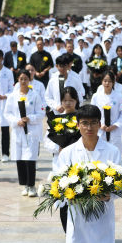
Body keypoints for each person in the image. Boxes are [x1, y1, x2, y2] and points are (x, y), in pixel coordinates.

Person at [56, 104, 121, 243]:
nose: (89, 127)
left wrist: (109, 195)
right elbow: (58, 187)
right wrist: (70, 193)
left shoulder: (112, 152)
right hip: (79, 220)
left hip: (103, 220)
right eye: (84, 123)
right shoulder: (67, 154)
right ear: (77, 125)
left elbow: (119, 185)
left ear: (100, 124)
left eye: (93, 123)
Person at [44, 86, 80, 232]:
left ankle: (79, 232)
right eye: (65, 101)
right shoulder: (56, 119)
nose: (68, 103)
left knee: (78, 195)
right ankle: (67, 232)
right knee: (63, 198)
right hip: (60, 162)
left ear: (76, 101)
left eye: (71, 100)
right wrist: (59, 148)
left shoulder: (81, 118)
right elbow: (47, 141)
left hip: (78, 162)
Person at [4, 70, 45, 196]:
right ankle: (24, 185)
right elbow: (7, 113)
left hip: (31, 131)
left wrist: (30, 118)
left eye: (26, 79)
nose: (23, 81)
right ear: (18, 80)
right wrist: (17, 121)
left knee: (30, 158)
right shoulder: (12, 96)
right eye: (21, 79)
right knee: (20, 158)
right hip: (18, 130)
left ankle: (31, 185)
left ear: (29, 80)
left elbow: (41, 113)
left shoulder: (35, 95)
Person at [90, 70, 122, 153]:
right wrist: (100, 124)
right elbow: (92, 113)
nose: (107, 83)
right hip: (100, 130)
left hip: (115, 131)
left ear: (114, 82)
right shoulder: (96, 96)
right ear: (101, 81)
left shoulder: (119, 96)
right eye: (105, 81)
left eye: (110, 81)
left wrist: (115, 125)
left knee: (115, 155)